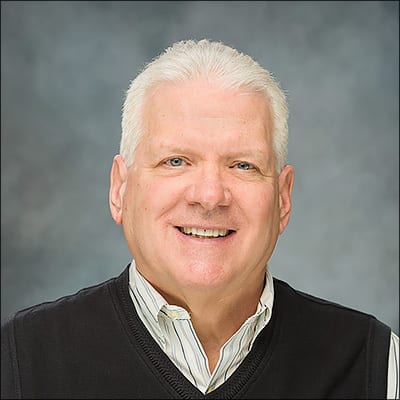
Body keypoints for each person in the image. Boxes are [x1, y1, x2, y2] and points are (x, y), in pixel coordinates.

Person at [1, 39, 398, 399]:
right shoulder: (20, 360)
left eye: (243, 165)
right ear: (120, 188)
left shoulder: (375, 367)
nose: (210, 196)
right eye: (175, 161)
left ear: (282, 198)